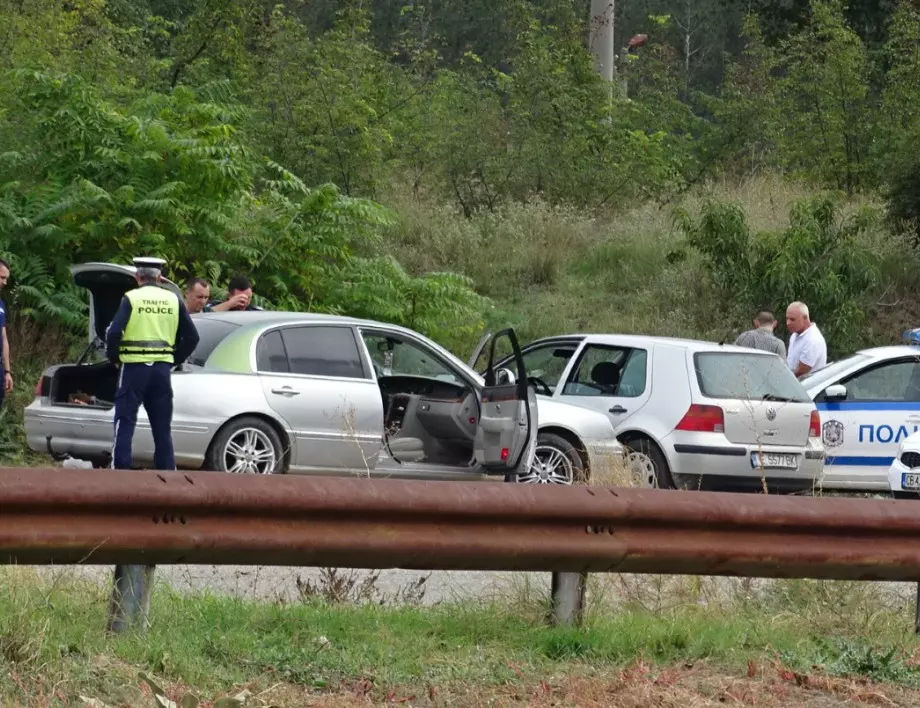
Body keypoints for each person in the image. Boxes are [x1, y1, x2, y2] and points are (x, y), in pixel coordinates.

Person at [105, 256, 199, 471]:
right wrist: (173, 361)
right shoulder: (173, 299)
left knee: (125, 420)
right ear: (160, 278)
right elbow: (192, 337)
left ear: (137, 277)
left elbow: (114, 333)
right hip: (161, 370)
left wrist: (114, 358)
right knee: (162, 425)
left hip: (134, 368)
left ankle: (121, 469)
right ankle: (167, 472)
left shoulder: (131, 298)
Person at [785, 301, 827, 377]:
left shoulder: (813, 339)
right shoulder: (795, 335)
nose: (788, 323)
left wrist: (783, 380)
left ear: (805, 318)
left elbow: (801, 371)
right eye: (787, 318)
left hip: (807, 386)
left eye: (792, 319)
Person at [0, 259, 11, 407]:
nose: (5, 282)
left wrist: (7, 371)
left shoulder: (1, 305)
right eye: (2, 277)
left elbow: (4, 338)